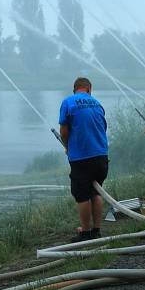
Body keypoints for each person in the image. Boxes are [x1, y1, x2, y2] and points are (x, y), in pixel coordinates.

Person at [58, 77, 109, 243]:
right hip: (101, 155)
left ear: (75, 89)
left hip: (81, 157)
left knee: (82, 195)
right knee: (96, 191)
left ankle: (85, 233)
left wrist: (67, 146)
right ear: (89, 88)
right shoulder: (97, 103)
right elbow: (103, 126)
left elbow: (64, 131)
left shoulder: (68, 102)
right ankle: (97, 230)